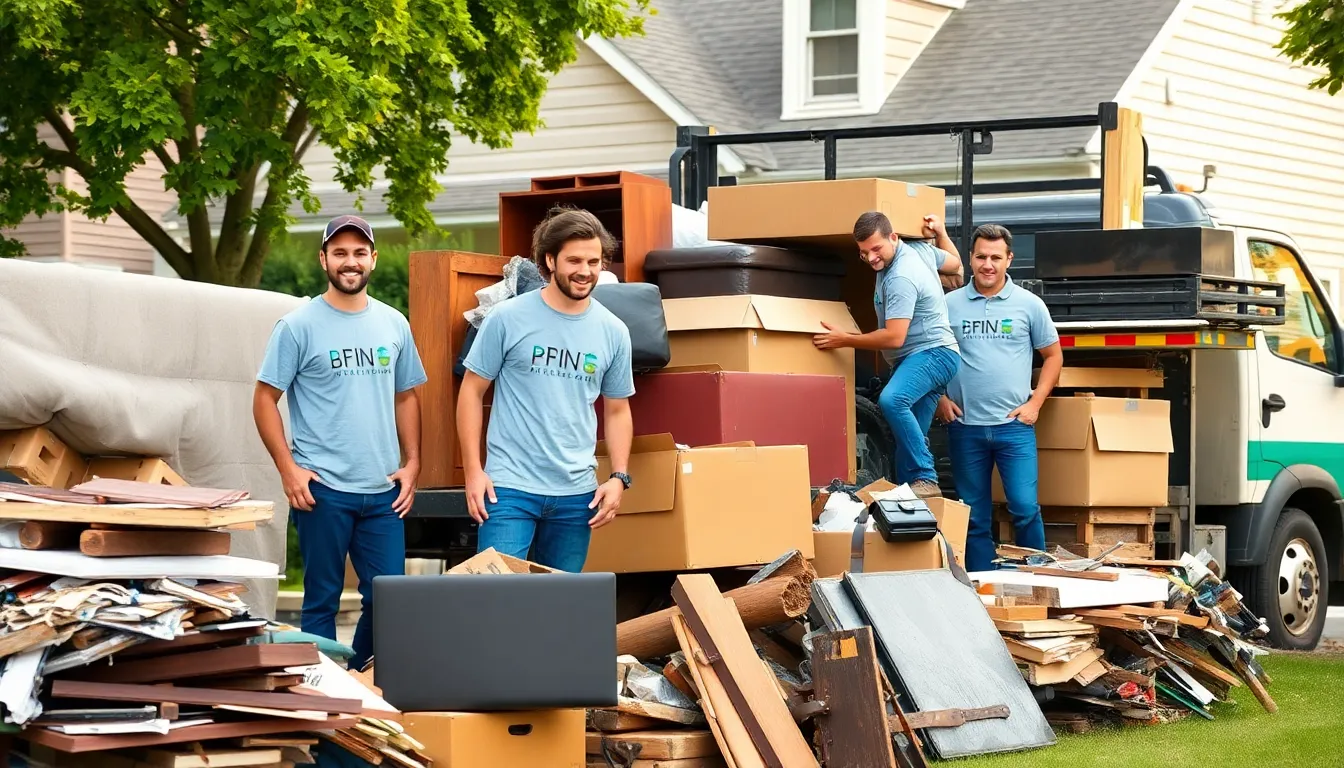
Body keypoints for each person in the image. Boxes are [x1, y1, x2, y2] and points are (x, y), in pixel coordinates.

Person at [253, 214, 427, 671]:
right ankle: (325, 696)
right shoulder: (297, 326)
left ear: (373, 258)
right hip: (323, 490)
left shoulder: (394, 323)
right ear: (323, 259)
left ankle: (360, 681)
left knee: (389, 600)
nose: (351, 262)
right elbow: (264, 399)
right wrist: (289, 470)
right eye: (340, 253)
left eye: (359, 252)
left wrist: (412, 463)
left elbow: (406, 396)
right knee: (322, 600)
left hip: (384, 491)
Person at [456, 207, 635, 572]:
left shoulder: (614, 331)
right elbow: (472, 392)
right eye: (574, 261)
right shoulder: (507, 317)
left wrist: (619, 477)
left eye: (594, 262)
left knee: (559, 602)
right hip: (508, 489)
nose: (585, 271)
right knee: (492, 595)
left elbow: (617, 410)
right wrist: (473, 471)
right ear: (550, 260)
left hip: (577, 496)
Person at [936, 223, 1062, 572]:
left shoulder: (1029, 305)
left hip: (1014, 427)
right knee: (974, 515)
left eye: (995, 257)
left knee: (1025, 507)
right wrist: (940, 398)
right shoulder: (948, 305)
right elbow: (927, 352)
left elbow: (1053, 356)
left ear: (1009, 259)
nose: (987, 264)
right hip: (965, 427)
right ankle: (983, 586)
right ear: (970, 259)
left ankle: (1035, 579)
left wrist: (1035, 404)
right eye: (981, 257)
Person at [813, 212, 961, 498]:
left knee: (892, 400)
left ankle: (926, 476)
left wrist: (845, 339)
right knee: (907, 441)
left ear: (893, 237)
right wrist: (941, 233)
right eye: (863, 253)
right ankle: (911, 501)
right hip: (926, 356)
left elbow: (895, 337)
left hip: (932, 353)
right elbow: (955, 263)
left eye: (876, 249)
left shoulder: (901, 277)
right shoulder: (920, 249)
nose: (871, 258)